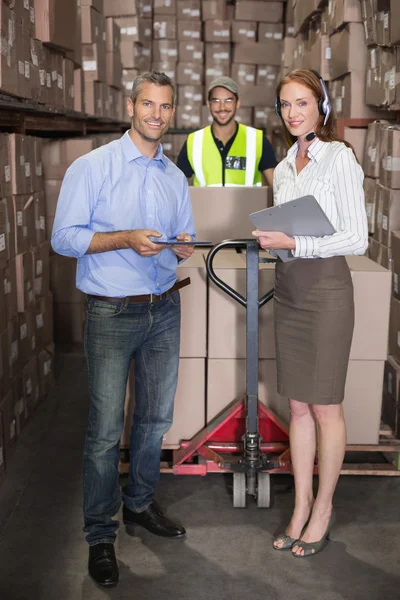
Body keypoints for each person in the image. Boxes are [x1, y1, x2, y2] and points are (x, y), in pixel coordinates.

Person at [51, 71, 195, 588]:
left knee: (154, 420)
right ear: (131, 106)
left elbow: (186, 238)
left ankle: (138, 504)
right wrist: (125, 239)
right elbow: (64, 238)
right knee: (105, 430)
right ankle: (99, 534)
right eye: (148, 104)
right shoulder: (92, 168)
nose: (156, 114)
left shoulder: (175, 178)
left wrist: (182, 247)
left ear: (172, 113)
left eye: (166, 106)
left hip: (163, 310)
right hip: (111, 312)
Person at [252, 69, 368, 558]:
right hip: (291, 289)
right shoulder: (283, 166)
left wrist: (293, 241)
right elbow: (288, 231)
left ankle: (323, 509)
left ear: (322, 106)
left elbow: (357, 237)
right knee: (297, 406)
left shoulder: (338, 157)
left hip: (325, 293)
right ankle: (299, 506)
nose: (293, 113)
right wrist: (273, 242)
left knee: (325, 406)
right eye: (285, 105)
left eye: (303, 102)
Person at [177, 76, 277, 186]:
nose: (222, 107)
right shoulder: (194, 142)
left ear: (237, 103)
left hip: (246, 204)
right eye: (216, 101)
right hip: (206, 204)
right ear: (208, 103)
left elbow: (277, 190)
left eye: (228, 100)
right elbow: (177, 189)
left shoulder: (257, 140)